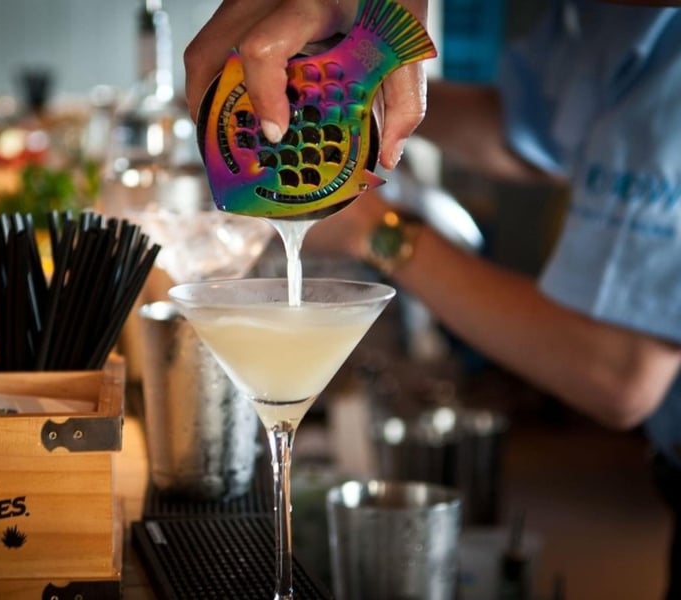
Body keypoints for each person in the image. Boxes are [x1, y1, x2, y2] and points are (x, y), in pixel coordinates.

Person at [184, 0, 681, 596]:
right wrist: (341, 87)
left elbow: (620, 375)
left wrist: (377, 227)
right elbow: (527, 137)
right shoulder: (601, 19)